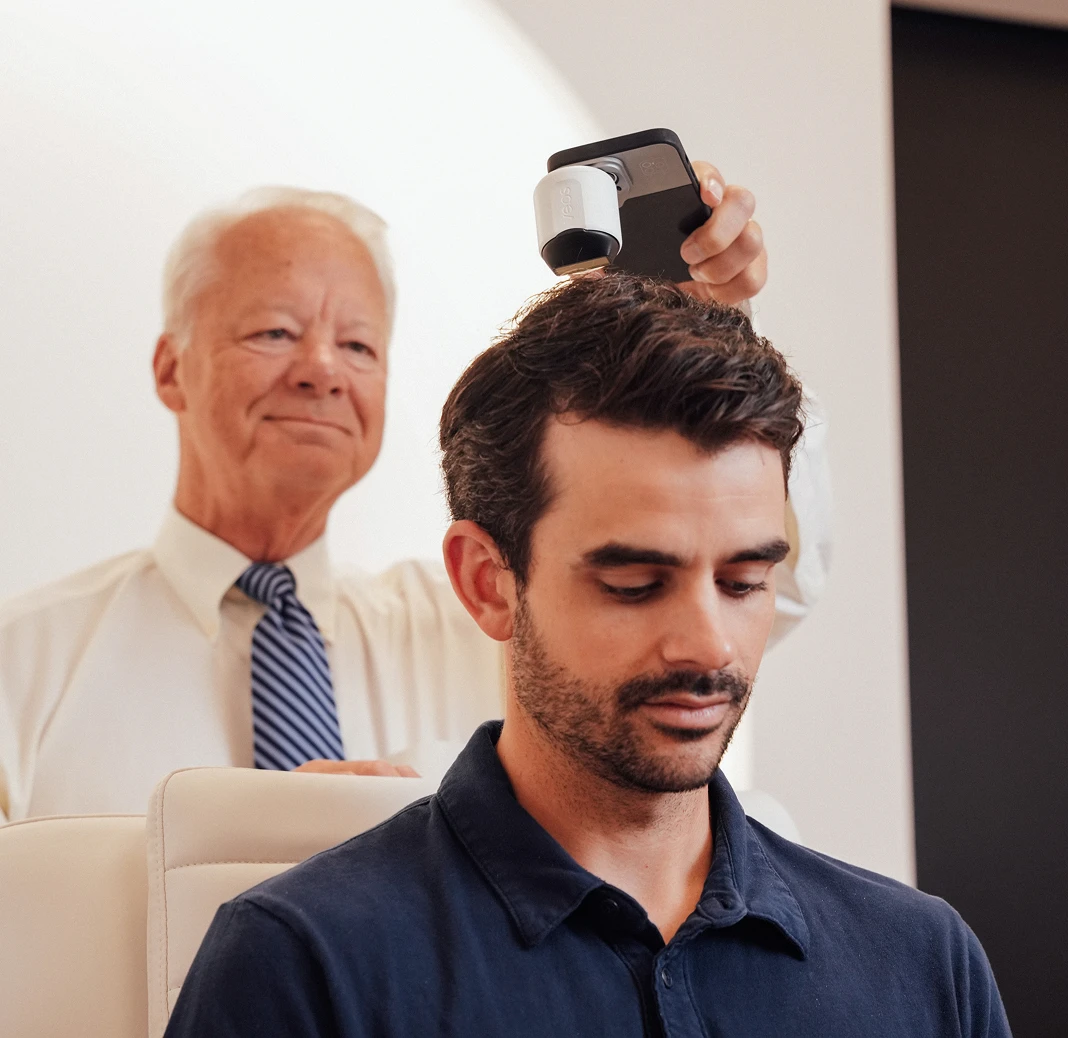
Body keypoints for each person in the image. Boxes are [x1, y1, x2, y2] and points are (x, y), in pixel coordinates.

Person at [165, 274, 1008, 1038]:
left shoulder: (923, 965)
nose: (708, 645)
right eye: (636, 583)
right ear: (490, 584)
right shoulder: (303, 966)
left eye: (745, 581)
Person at [0, 169, 828, 823]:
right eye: (275, 332)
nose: (322, 369)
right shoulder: (25, 665)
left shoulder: (487, 616)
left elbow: (761, 577)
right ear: (171, 369)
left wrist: (715, 333)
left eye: (357, 344)